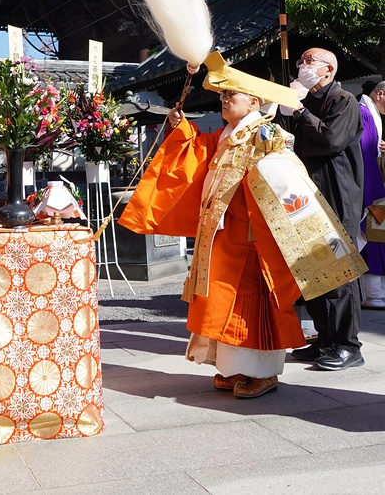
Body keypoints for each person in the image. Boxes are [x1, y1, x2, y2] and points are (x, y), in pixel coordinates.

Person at [119, 51, 365, 398]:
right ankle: (232, 367)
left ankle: (262, 372)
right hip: (223, 234)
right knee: (221, 301)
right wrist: (181, 128)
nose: (224, 100)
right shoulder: (227, 135)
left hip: (252, 235)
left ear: (253, 101)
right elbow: (198, 152)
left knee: (253, 303)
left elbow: (284, 179)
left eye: (230, 94)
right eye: (222, 95)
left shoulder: (264, 133)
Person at [288, 47, 365, 370]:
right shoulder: (304, 100)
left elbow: (331, 139)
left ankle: (348, 344)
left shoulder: (343, 100)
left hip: (337, 194)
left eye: (310, 61)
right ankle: (325, 337)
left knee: (338, 270)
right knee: (312, 269)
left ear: (329, 70)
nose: (302, 65)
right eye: (301, 61)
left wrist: (299, 111)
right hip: (306, 195)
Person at [358, 81, 385, 308]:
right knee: (372, 237)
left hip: (373, 183)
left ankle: (376, 292)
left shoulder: (369, 113)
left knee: (376, 237)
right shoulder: (364, 113)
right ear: (380, 94)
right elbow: (365, 154)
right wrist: (370, 191)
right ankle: (373, 293)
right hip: (369, 186)